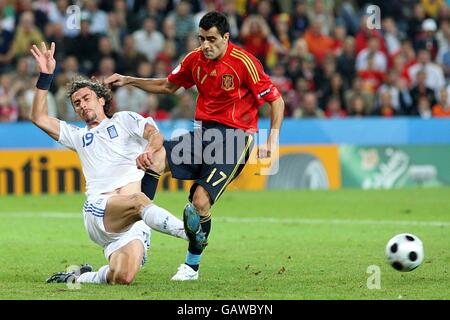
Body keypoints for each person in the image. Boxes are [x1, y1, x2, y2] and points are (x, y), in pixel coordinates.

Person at [105, 12, 285, 281]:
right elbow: (168, 86)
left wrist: (272, 140)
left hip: (235, 139)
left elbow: (277, 100)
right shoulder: (193, 59)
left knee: (199, 202)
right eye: (201, 39)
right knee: (154, 158)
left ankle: (191, 266)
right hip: (203, 135)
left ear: (225, 38)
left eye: (211, 39)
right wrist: (129, 80)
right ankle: (137, 228)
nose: (205, 45)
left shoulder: (244, 62)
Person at [30, 42, 188, 285]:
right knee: (139, 201)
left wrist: (149, 149)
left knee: (122, 277)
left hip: (133, 223)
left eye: (86, 98)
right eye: (77, 103)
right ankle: (190, 233)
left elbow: (155, 136)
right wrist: (46, 75)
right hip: (100, 211)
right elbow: (39, 117)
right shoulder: (78, 136)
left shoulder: (125, 120)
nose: (82, 105)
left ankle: (79, 277)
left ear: (102, 100)